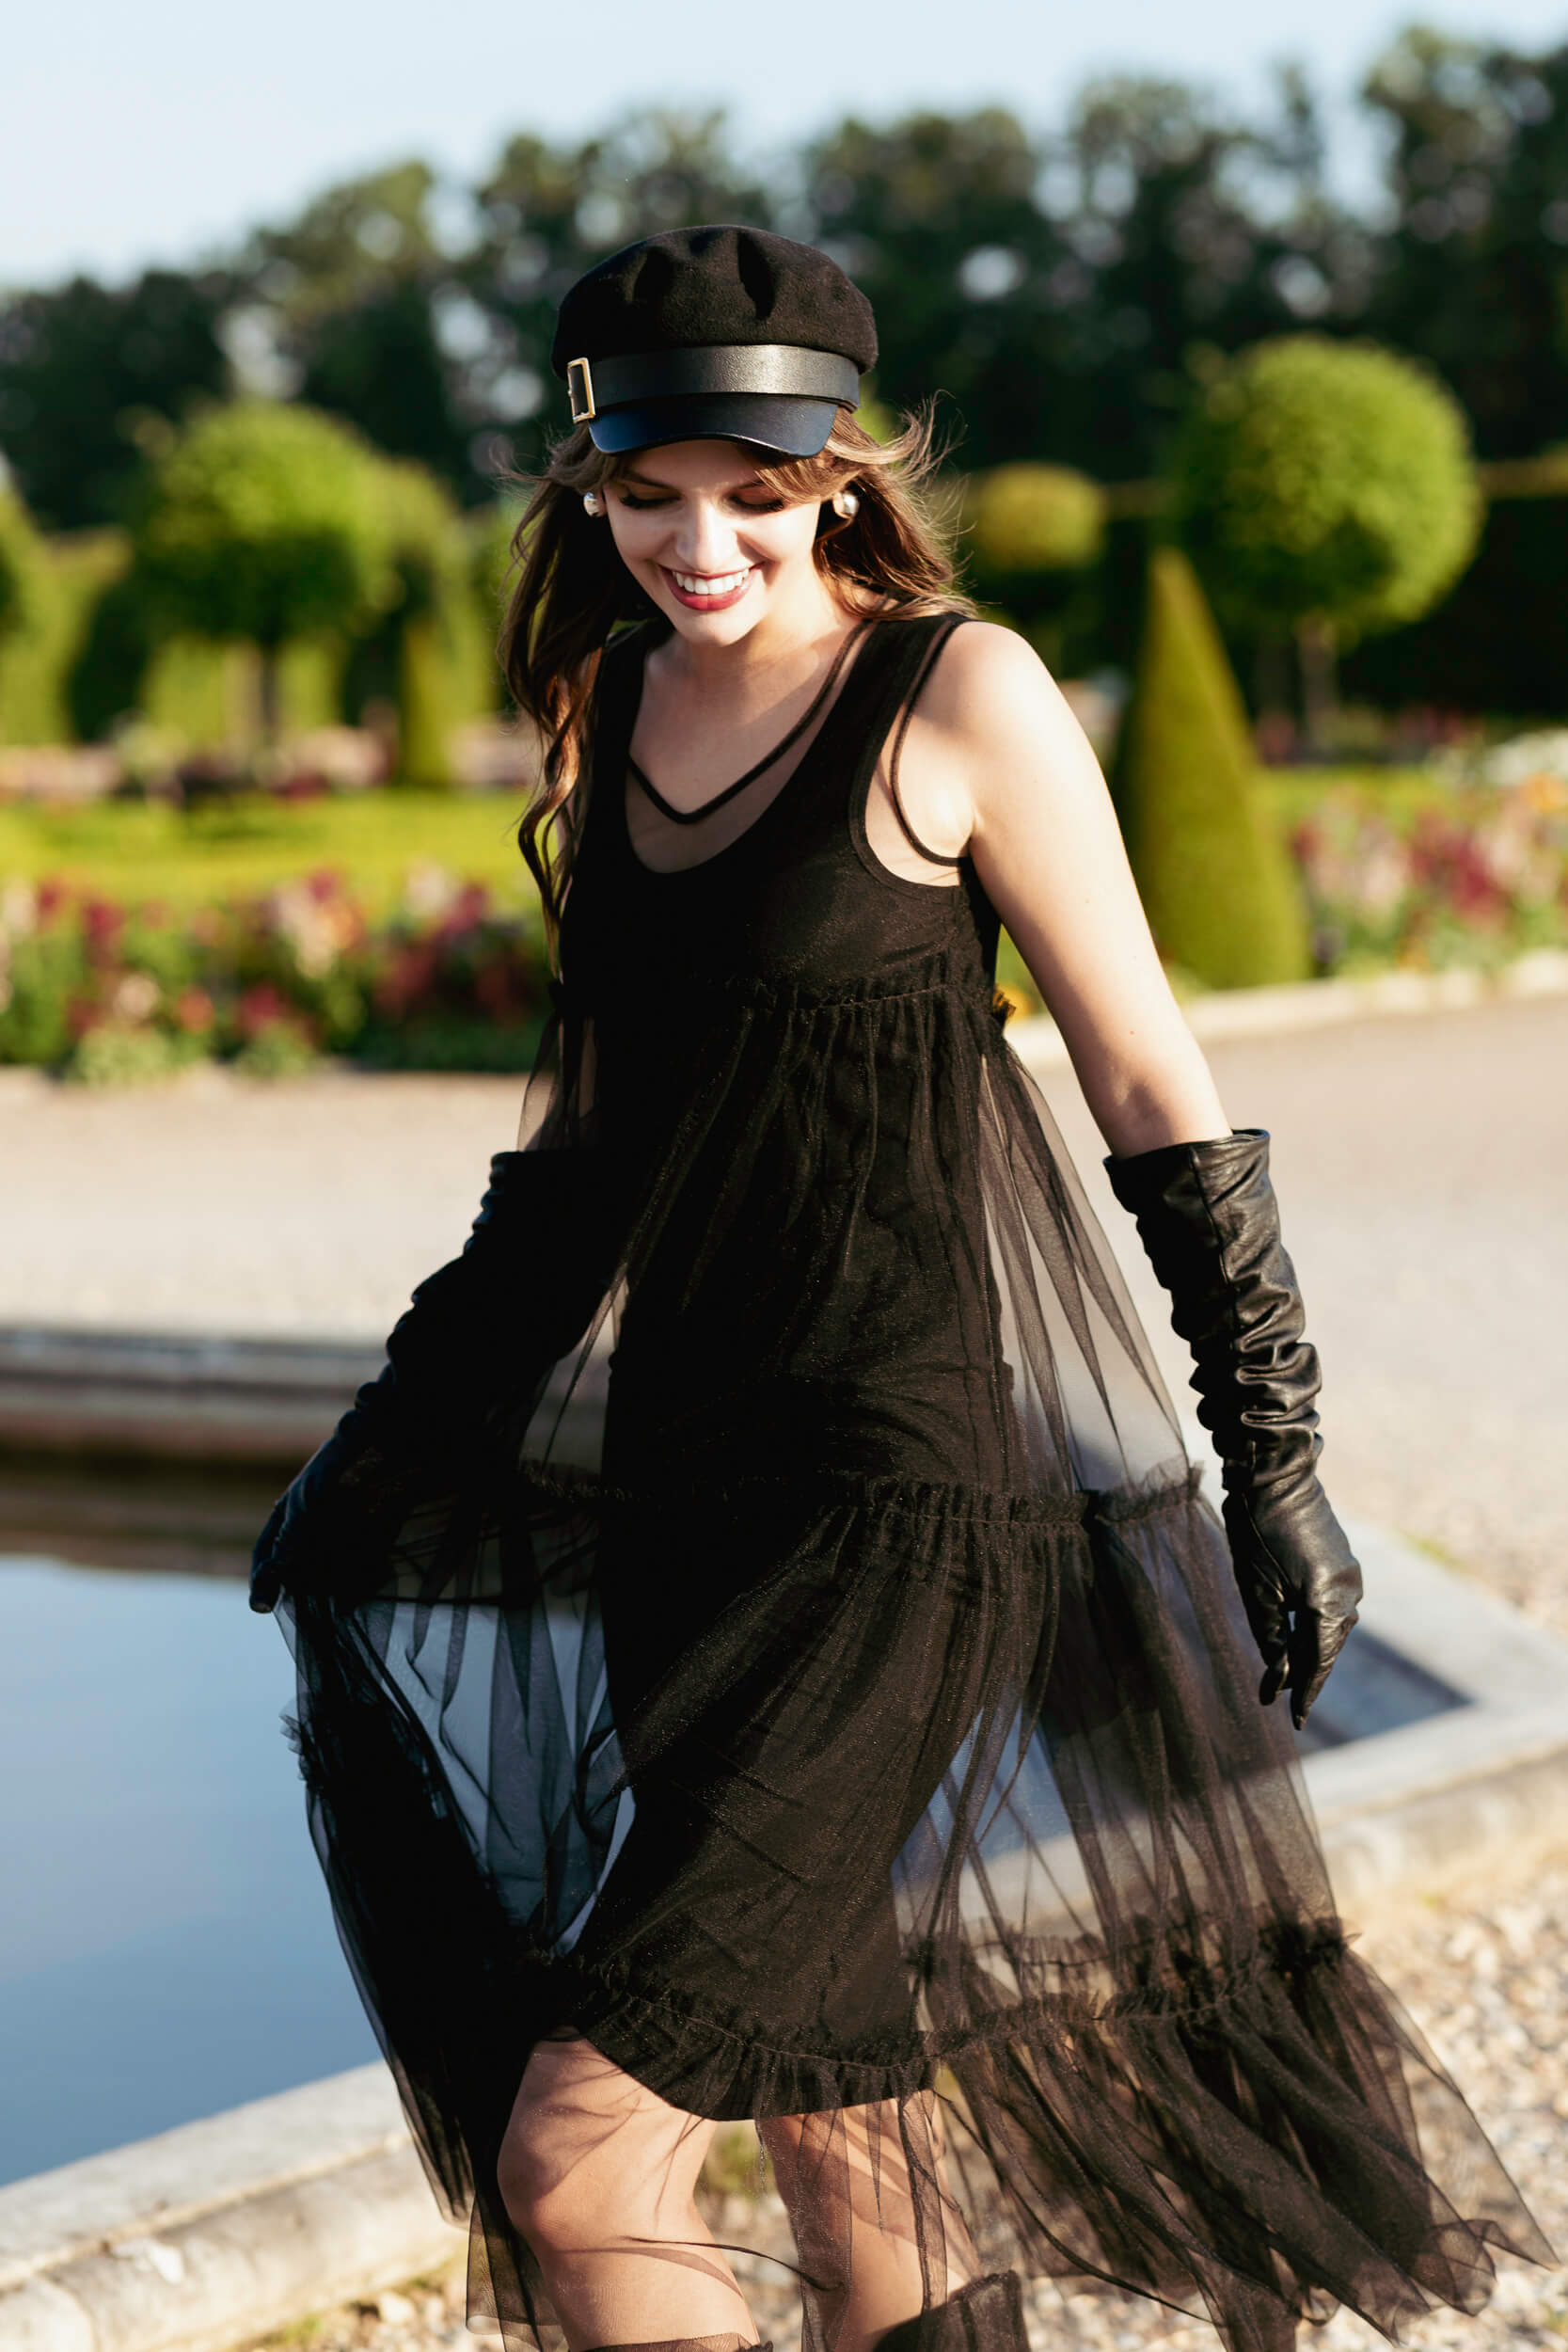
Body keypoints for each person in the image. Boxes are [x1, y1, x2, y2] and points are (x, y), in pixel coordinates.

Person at [252, 225, 1550, 2352]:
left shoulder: (957, 691)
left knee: (576, 2158)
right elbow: (579, 1171)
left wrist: (1277, 1453)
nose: (694, 542)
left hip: (901, 1501)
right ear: (586, 482)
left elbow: (1149, 1073)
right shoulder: (611, 717)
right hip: (690, 1497)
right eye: (644, 493)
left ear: (841, 468)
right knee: (859, 2123)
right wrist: (386, 1436)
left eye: (751, 492)